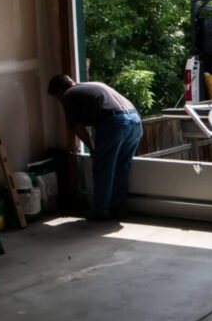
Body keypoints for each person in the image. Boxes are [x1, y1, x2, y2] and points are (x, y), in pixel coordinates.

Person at [48, 74, 143, 220]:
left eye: (56, 97)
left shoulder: (68, 95)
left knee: (103, 168)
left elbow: (76, 127)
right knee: (121, 166)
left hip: (113, 123)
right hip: (134, 120)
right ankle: (118, 208)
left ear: (60, 90)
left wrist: (92, 148)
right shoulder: (93, 85)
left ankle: (100, 211)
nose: (58, 100)